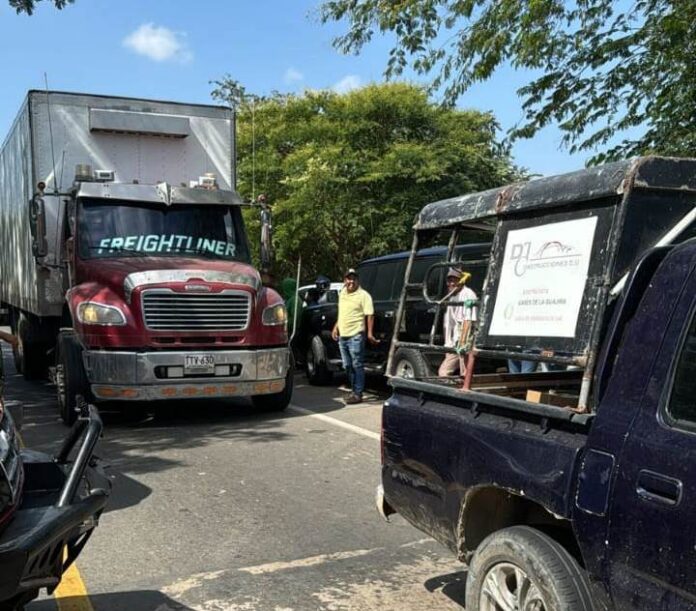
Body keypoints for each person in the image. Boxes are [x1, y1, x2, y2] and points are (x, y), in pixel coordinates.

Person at [331, 268, 377, 404]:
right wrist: (336, 327)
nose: (351, 281)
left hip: (356, 335)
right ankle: (353, 391)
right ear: (345, 280)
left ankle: (358, 393)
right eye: (348, 278)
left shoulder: (364, 295)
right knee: (347, 365)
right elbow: (342, 312)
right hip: (343, 336)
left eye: (353, 278)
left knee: (357, 365)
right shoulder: (343, 293)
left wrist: (369, 333)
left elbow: (370, 314)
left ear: (357, 280)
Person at [438, 268, 478, 379]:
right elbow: (449, 322)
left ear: (461, 281)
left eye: (453, 280)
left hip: (462, 340)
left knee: (443, 372)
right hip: (452, 341)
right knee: (464, 375)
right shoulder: (451, 296)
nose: (450, 283)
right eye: (449, 280)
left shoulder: (468, 295)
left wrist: (463, 344)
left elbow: (469, 321)